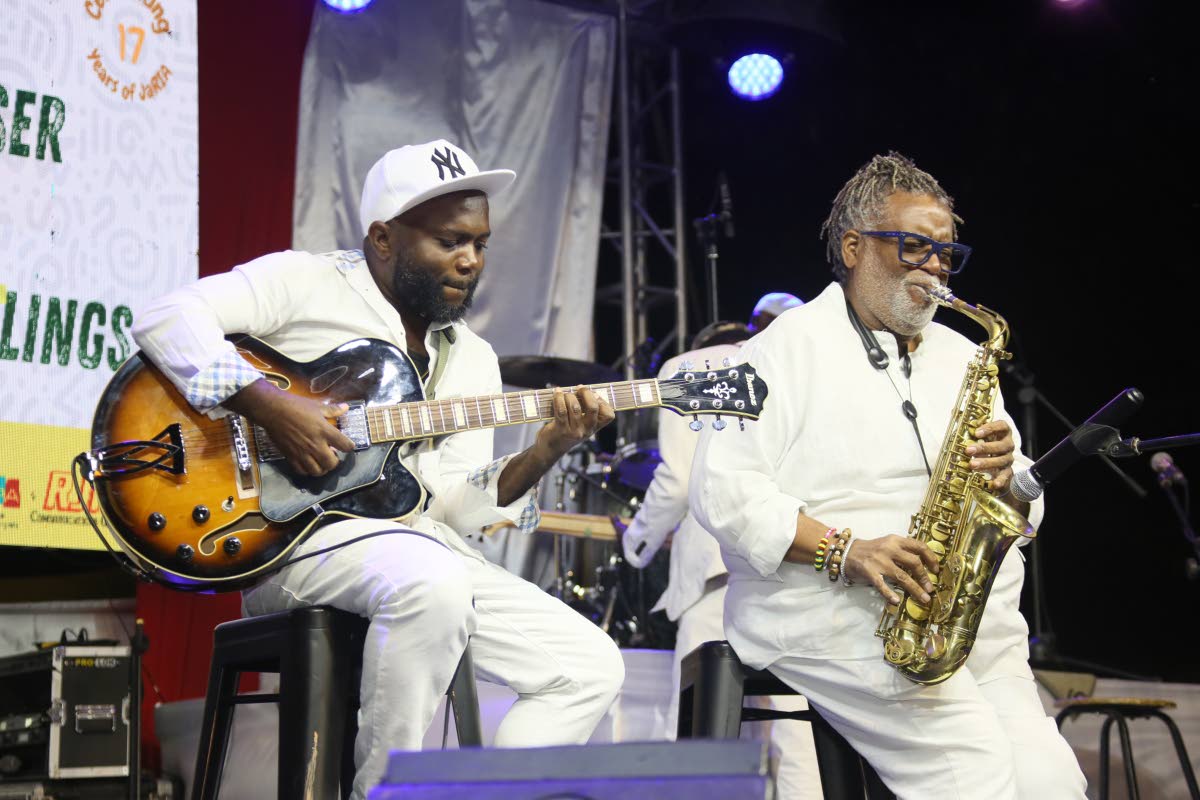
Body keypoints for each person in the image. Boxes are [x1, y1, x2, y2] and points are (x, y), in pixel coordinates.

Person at [132, 140, 625, 800]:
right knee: (434, 582)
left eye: (480, 243)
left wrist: (546, 449)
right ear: (385, 238)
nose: (471, 261)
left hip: (419, 548)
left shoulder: (472, 358)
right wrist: (270, 406)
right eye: (451, 241)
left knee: (589, 664)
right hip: (289, 539)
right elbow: (164, 316)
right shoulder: (306, 282)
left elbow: (451, 506)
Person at [688, 153, 1087, 798]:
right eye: (914, 247)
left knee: (1054, 785)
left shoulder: (963, 355)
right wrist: (847, 550)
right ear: (853, 247)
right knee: (975, 775)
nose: (934, 267)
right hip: (833, 612)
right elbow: (723, 491)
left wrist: (1006, 474)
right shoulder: (782, 347)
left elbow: (1022, 510)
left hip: (974, 624)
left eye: (946, 253)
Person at [620, 293, 822, 799]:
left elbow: (677, 479)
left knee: (697, 728)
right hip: (800, 568)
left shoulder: (691, 365)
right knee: (794, 734)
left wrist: (638, 543)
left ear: (749, 323)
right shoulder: (816, 370)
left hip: (719, 572)